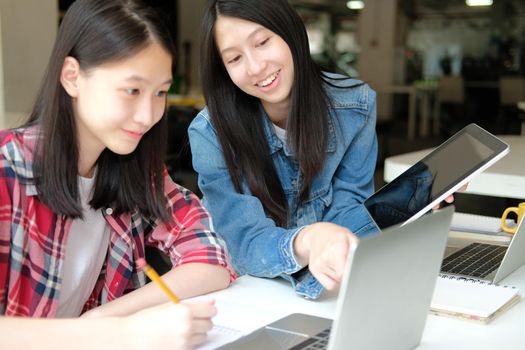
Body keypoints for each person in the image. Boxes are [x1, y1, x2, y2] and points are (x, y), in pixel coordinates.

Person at [0, 0, 235, 348]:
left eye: (160, 93)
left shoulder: (136, 172)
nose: (147, 115)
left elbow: (211, 259)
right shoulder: (8, 170)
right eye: (132, 90)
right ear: (72, 77)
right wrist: (119, 332)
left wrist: (106, 316)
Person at [188, 0, 375, 300]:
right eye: (235, 59)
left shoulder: (356, 107)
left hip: (329, 290)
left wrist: (406, 210)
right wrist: (310, 241)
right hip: (243, 292)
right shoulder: (210, 133)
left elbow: (350, 206)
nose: (256, 67)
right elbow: (244, 241)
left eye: (262, 42)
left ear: (289, 31)